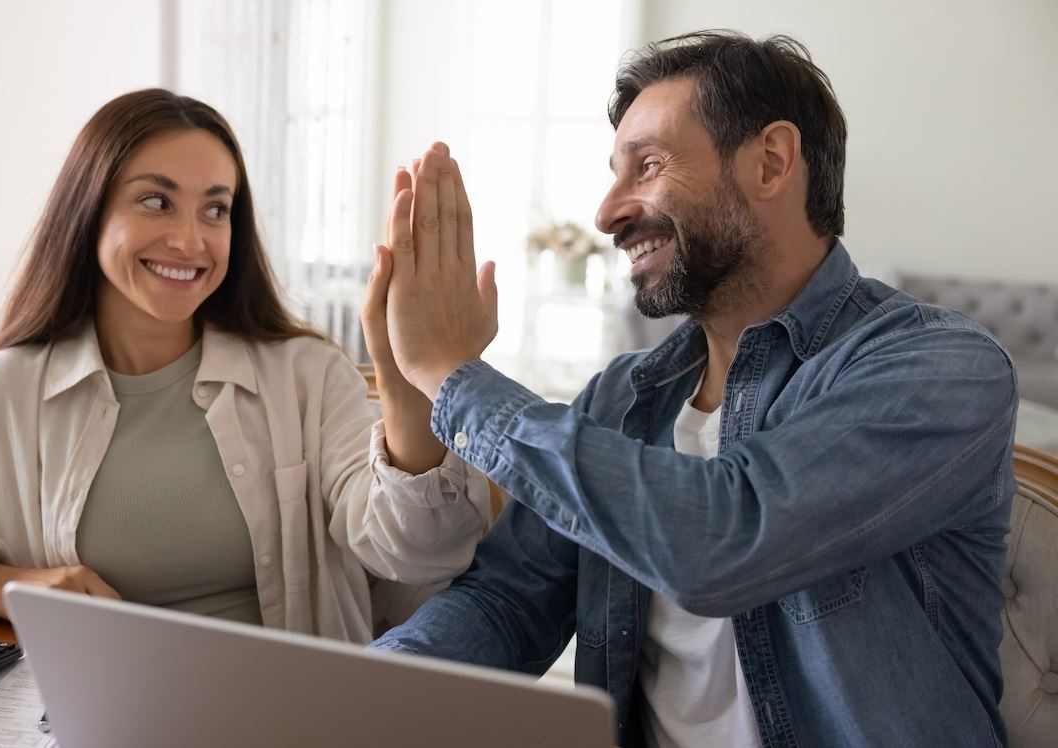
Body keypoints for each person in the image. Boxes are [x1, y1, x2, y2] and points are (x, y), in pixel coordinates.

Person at [366, 31, 1017, 746]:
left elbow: (725, 540)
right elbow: (507, 603)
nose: (608, 212)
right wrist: (352, 692)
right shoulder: (620, 398)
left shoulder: (941, 366)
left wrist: (453, 377)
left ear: (770, 162)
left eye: (646, 165)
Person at [0, 89, 490, 644]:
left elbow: (419, 552)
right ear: (89, 212)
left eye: (216, 209)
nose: (190, 240)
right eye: (156, 201)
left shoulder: (306, 376)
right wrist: (0, 584)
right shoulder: (4, 392)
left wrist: (405, 385)